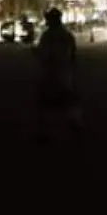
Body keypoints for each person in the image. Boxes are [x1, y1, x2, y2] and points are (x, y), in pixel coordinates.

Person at [34, 8, 81, 142]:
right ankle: (75, 121)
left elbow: (44, 53)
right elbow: (73, 53)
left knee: (43, 100)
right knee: (69, 98)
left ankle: (43, 131)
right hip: (64, 71)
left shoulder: (47, 35)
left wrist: (36, 53)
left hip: (50, 71)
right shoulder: (67, 35)